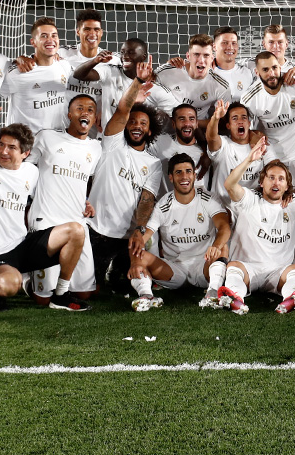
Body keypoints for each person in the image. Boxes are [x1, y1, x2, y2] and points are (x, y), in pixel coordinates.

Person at [0, 106, 91, 312]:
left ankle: (60, 294)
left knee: (76, 230)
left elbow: (54, 189)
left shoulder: (31, 172)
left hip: (21, 245)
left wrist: (84, 202)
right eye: (1, 145)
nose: (4, 151)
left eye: (12, 147)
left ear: (25, 153)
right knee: (9, 285)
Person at [213, 139, 295, 315]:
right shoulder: (250, 200)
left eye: (281, 179)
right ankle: (235, 298)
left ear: (287, 185)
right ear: (262, 182)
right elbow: (229, 185)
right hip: (248, 269)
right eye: (271, 178)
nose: (276, 183)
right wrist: (250, 159)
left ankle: (290, 299)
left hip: (278, 272)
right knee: (234, 267)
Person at [87, 66, 163, 295]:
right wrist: (138, 82)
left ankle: (119, 271)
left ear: (150, 131)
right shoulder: (112, 144)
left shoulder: (154, 163)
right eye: (133, 121)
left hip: (126, 237)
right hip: (96, 230)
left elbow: (147, 199)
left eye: (143, 123)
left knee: (126, 287)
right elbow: (122, 110)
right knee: (92, 291)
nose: (136, 126)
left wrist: (139, 229)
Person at [127, 154, 231, 312]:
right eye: (178, 172)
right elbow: (141, 239)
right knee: (140, 255)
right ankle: (146, 296)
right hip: (175, 270)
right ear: (170, 177)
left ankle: (212, 293)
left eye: (188, 171)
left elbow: (224, 227)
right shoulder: (163, 206)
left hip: (205, 266)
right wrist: (135, 261)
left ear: (195, 175)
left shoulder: (208, 199)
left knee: (222, 247)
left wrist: (216, 245)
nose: (184, 176)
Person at [25, 95, 102, 302]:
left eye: (90, 110)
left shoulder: (95, 148)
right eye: (79, 108)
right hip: (46, 219)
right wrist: (27, 202)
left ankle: (58, 286)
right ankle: (27, 279)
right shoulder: (46, 137)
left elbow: (84, 180)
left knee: (84, 293)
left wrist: (85, 201)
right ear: (69, 115)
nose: (85, 112)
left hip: (77, 222)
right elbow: (25, 168)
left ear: (95, 118)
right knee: (42, 298)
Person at [241, 51, 295, 194]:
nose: (271, 73)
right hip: (273, 153)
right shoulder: (250, 99)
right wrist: (253, 136)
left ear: (280, 67)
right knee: (275, 198)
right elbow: (244, 130)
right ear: (257, 72)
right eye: (265, 70)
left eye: (274, 68)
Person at [0, 18, 75, 132]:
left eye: (54, 35)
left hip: (55, 142)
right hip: (25, 144)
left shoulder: (64, 66)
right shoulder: (18, 72)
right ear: (33, 42)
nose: (50, 40)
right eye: (44, 36)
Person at [205, 101, 279, 208]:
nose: (240, 121)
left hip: (252, 209)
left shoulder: (261, 144)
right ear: (228, 125)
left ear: (249, 124)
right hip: (223, 209)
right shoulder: (224, 145)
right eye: (235, 118)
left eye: (244, 118)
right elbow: (211, 137)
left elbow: (276, 167)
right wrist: (215, 118)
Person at [148, 33, 229, 124]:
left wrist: (190, 123)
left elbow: (223, 122)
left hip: (196, 132)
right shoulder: (167, 71)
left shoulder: (221, 86)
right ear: (188, 56)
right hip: (163, 129)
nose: (201, 60)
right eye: (196, 54)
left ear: (212, 58)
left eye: (206, 55)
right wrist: (146, 77)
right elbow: (148, 91)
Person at [72, 37, 150, 126]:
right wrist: (95, 61)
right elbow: (78, 74)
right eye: (122, 52)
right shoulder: (110, 71)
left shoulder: (149, 85)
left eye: (131, 53)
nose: (125, 56)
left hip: (132, 137)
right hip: (106, 137)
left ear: (143, 57)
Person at [150, 104, 208, 195]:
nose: (187, 123)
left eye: (191, 119)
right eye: (182, 119)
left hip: (196, 206)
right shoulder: (160, 141)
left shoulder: (206, 153)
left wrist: (207, 151)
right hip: (164, 206)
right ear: (173, 124)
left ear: (197, 124)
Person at [63, 9, 109, 112]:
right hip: (66, 125)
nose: (92, 34)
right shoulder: (62, 54)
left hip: (98, 126)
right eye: (87, 29)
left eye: (96, 29)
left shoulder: (111, 60)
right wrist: (21, 60)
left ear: (101, 33)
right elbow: (38, 58)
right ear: (78, 32)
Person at [212, 26, 257, 101]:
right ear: (214, 47)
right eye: (224, 43)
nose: (230, 47)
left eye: (234, 43)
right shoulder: (206, 73)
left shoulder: (247, 72)